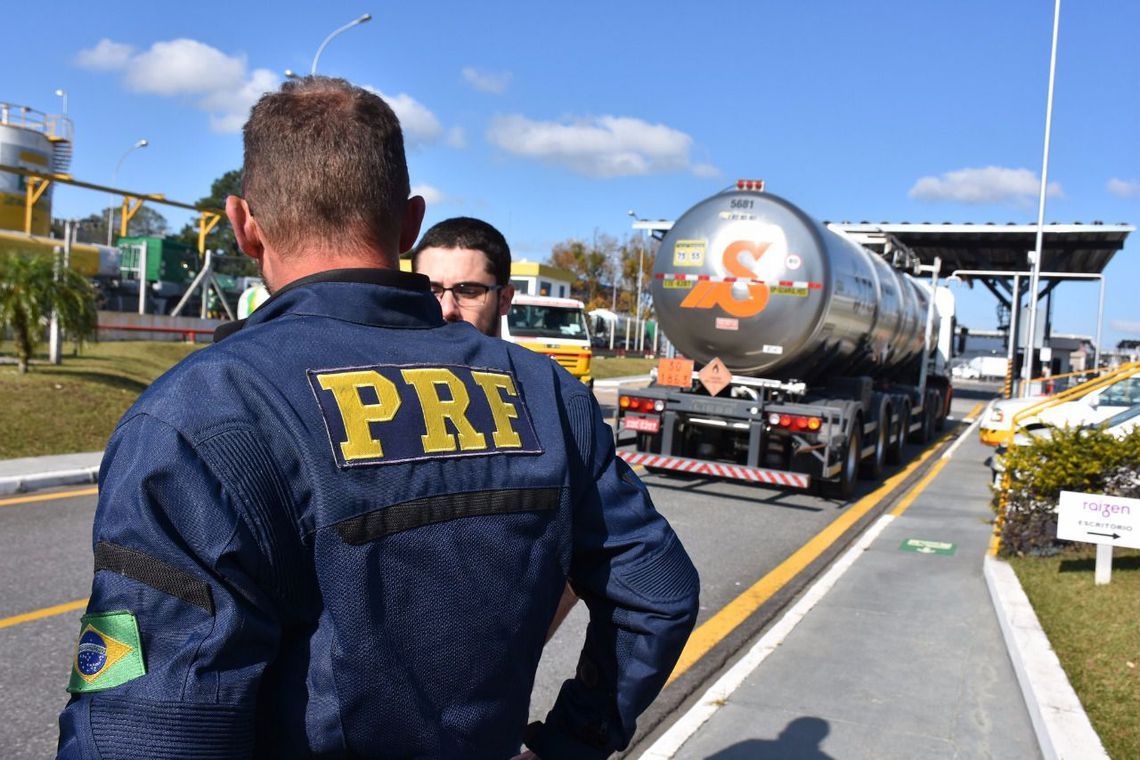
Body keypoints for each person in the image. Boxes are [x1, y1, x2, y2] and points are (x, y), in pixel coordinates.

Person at [57, 76, 699, 759]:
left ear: (244, 225)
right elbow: (657, 590)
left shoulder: (204, 414)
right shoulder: (541, 391)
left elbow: (148, 731)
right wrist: (573, 744)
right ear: (410, 223)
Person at [412, 217, 578, 639]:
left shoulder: (547, 399)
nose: (447, 307)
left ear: (504, 299)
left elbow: (598, 557)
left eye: (468, 291)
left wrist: (521, 650)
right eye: (430, 289)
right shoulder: (372, 393)